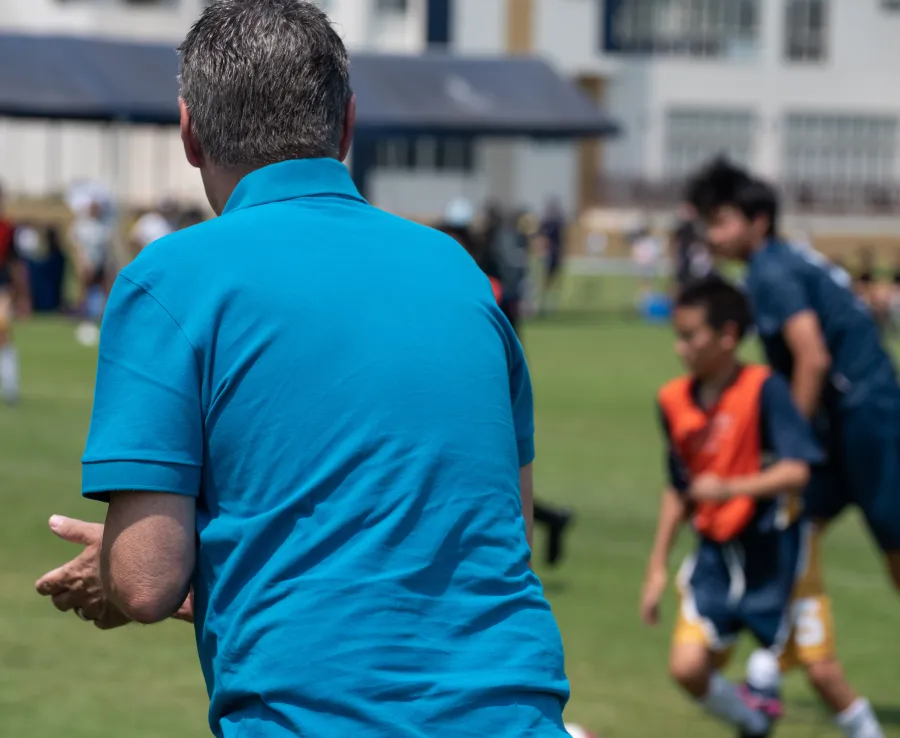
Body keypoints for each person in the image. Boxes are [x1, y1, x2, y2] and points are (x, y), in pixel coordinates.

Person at [35, 3, 570, 738]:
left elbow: (148, 582)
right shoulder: (459, 272)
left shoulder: (171, 279)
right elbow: (502, 530)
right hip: (515, 711)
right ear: (348, 125)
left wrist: (116, 572)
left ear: (189, 131)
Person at [641, 279, 884, 738]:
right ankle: (754, 723)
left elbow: (798, 472)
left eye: (691, 336)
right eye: (678, 334)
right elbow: (678, 488)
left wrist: (731, 486)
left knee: (823, 674)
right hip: (717, 553)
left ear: (728, 336)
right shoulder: (673, 401)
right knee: (687, 668)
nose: (681, 348)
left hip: (780, 549)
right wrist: (657, 566)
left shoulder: (764, 390)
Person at [685, 158, 900, 593]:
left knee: (891, 535)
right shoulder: (780, 260)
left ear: (758, 221)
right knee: (792, 523)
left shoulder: (771, 270)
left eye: (722, 222)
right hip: (845, 414)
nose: (713, 235)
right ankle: (783, 646)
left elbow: (812, 356)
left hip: (864, 416)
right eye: (708, 223)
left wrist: (792, 443)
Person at [0, 185, 21, 405]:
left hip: (2, 287)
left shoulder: (7, 228)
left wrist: (22, 295)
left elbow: (15, 262)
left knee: (3, 332)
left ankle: (10, 386)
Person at [538, 197, 567, 315]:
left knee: (553, 281)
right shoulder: (544, 223)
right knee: (543, 281)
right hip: (546, 255)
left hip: (554, 255)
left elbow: (562, 240)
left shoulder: (558, 223)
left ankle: (550, 306)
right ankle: (542, 305)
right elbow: (540, 240)